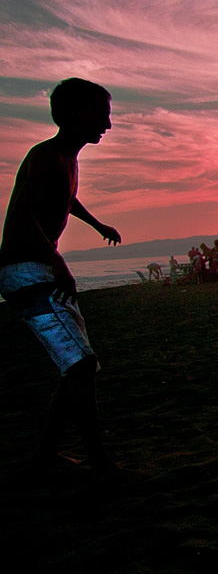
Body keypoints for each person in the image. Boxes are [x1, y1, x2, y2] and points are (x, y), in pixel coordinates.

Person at [0, 78, 122, 480]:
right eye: (101, 114)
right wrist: (58, 263)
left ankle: (46, 455)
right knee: (81, 365)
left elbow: (66, 198)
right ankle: (99, 463)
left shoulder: (67, 159)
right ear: (75, 114)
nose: (107, 123)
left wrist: (95, 222)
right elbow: (22, 217)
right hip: (24, 270)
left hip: (35, 268)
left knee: (77, 366)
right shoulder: (47, 155)